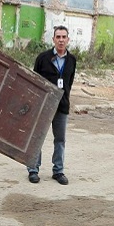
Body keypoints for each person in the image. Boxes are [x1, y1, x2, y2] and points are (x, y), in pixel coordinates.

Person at [27, 25, 77, 185]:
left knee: (60, 140)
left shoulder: (72, 60)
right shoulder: (43, 58)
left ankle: (58, 171)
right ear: (53, 39)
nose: (61, 40)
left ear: (68, 40)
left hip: (61, 106)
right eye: (58, 37)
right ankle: (33, 169)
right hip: (43, 106)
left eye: (64, 37)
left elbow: (69, 83)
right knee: (38, 138)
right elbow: (35, 81)